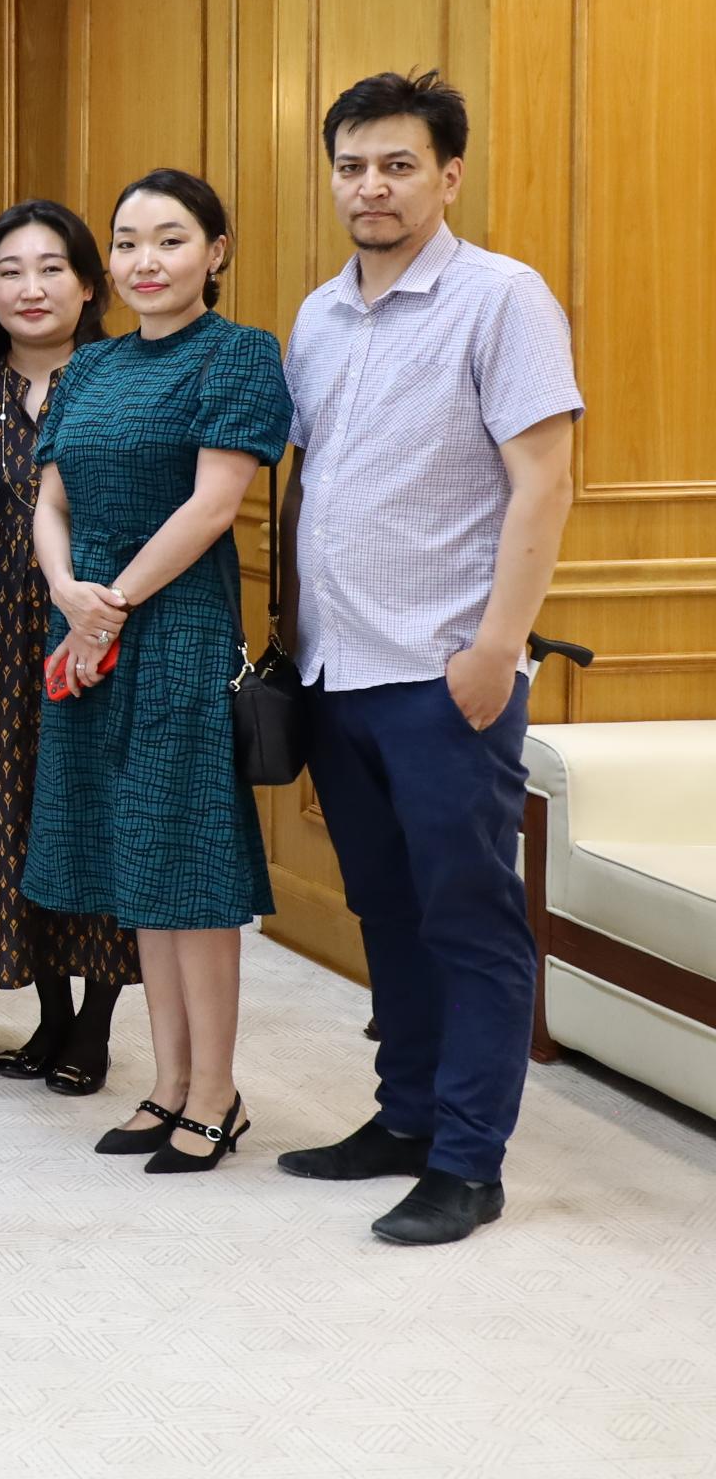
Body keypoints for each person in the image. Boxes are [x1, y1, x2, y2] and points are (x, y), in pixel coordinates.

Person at [276, 72, 579, 1246]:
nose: (372, 185)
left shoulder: (502, 299)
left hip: (447, 670)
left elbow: (543, 481)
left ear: (448, 175)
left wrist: (496, 648)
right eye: (353, 164)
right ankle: (404, 1119)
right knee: (387, 911)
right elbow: (313, 483)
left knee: (469, 917)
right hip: (336, 670)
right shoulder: (317, 314)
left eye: (398, 164)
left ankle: (468, 1158)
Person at [23, 169, 291, 1173]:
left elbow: (213, 506)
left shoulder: (240, 353)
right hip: (89, 630)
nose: (145, 260)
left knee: (189, 868)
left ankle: (216, 1093)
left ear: (215, 252)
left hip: (174, 635)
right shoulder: (89, 369)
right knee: (136, 861)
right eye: (128, 241)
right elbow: (48, 503)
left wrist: (112, 605)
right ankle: (166, 1081)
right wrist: (68, 594)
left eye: (170, 240)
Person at [0, 203, 138, 1098]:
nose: (31, 287)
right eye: (10, 270)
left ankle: (94, 1025)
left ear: (89, 284)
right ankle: (49, 1015)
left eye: (52, 268)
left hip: (97, 633)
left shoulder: (120, 378)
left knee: (90, 822)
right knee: (8, 824)